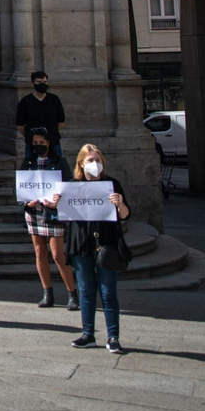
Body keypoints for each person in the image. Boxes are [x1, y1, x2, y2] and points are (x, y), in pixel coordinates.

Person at [57, 144, 131, 352]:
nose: (94, 164)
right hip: (81, 244)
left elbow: (126, 215)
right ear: (81, 163)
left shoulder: (111, 184)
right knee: (86, 291)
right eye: (90, 160)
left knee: (108, 292)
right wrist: (57, 203)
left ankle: (113, 336)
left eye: (98, 160)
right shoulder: (72, 185)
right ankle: (88, 334)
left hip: (106, 244)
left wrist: (120, 204)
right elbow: (62, 215)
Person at [22, 126, 77, 309]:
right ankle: (47, 293)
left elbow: (68, 185)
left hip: (53, 211)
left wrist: (58, 199)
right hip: (35, 211)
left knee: (57, 254)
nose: (38, 145)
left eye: (42, 142)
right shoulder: (28, 162)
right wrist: (26, 203)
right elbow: (20, 187)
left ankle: (72, 293)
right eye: (35, 143)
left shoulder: (59, 162)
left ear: (48, 143)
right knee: (39, 252)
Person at [15, 72, 66, 167]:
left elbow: (61, 122)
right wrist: (31, 137)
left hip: (53, 142)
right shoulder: (25, 102)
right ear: (32, 84)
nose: (42, 84)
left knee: (58, 166)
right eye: (39, 82)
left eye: (45, 82)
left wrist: (50, 134)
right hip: (32, 144)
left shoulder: (54, 99)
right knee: (30, 167)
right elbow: (20, 125)